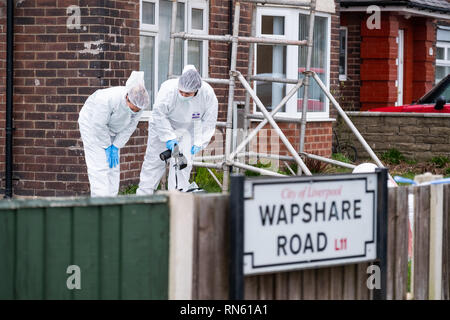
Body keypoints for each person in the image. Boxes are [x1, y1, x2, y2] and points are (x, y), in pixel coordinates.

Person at [136, 65, 218, 195]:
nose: (183, 95)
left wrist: (199, 142)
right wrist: (169, 138)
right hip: (162, 127)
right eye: (181, 92)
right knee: (153, 163)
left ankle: (177, 198)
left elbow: (209, 121)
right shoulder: (168, 89)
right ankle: (142, 200)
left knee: (183, 166)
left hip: (188, 130)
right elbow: (159, 115)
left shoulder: (207, 94)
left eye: (188, 93)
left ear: (197, 90)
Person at [78, 71, 150, 197]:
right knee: (99, 166)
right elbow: (98, 125)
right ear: (127, 97)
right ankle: (100, 204)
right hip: (91, 125)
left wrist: (116, 145)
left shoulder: (138, 105)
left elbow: (130, 127)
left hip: (113, 128)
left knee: (113, 168)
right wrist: (106, 145)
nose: (134, 112)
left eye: (137, 110)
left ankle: (112, 202)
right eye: (132, 108)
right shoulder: (107, 99)